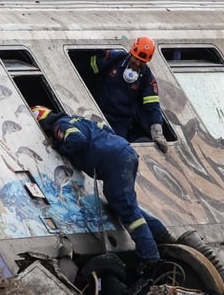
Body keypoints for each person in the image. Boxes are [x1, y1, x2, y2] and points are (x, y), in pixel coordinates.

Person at [31, 105, 175, 270]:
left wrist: (59, 146)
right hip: (125, 151)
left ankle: (151, 259)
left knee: (126, 207)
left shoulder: (59, 125)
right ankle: (162, 234)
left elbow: (77, 140)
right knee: (121, 202)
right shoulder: (77, 119)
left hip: (113, 162)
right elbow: (107, 129)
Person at [78, 36, 168, 153]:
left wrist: (158, 134)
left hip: (120, 123)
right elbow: (90, 66)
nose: (137, 63)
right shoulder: (114, 58)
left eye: (142, 61)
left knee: (114, 150)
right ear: (131, 52)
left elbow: (152, 107)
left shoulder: (147, 79)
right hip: (97, 112)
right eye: (135, 58)